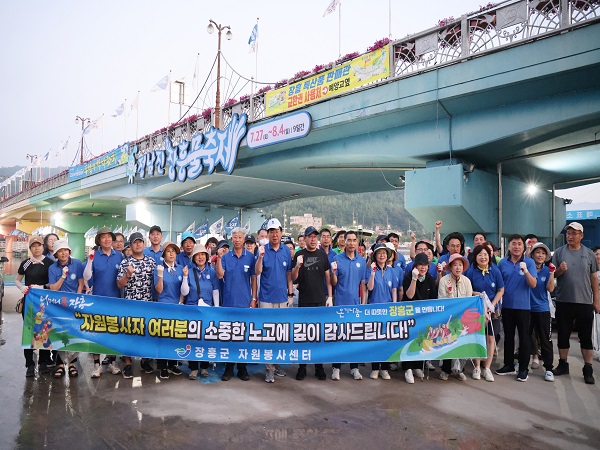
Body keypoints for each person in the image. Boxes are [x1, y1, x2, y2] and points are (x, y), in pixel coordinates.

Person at [552, 222, 600, 384]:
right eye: (568, 233)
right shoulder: (559, 253)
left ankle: (588, 369)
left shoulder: (589, 254)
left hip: (585, 302)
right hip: (564, 301)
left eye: (574, 233)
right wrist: (560, 270)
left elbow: (594, 278)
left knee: (585, 337)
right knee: (563, 335)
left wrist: (596, 301)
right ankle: (563, 364)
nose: (570, 236)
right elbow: (552, 276)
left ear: (582, 235)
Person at [216, 228, 258, 381]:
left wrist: (253, 299)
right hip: (229, 303)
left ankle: (242, 368)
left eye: (240, 237)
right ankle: (228, 368)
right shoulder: (226, 257)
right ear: (231, 240)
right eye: (235, 237)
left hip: (245, 303)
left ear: (243, 239)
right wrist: (219, 258)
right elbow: (220, 274)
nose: (238, 240)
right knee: (230, 337)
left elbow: (254, 279)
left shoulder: (251, 257)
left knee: (243, 337)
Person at [292, 226, 333, 381]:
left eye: (315, 236)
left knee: (318, 336)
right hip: (304, 301)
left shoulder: (322, 255)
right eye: (310, 237)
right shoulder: (299, 254)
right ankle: (302, 367)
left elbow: (327, 277)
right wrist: (298, 265)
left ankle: (319, 367)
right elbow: (294, 278)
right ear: (305, 238)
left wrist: (329, 296)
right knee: (304, 336)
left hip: (320, 301)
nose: (313, 239)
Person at [255, 218, 293, 383]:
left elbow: (289, 274)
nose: (275, 234)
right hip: (266, 298)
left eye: (277, 231)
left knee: (280, 334)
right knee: (268, 334)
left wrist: (290, 294)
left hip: (282, 298)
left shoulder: (286, 251)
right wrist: (260, 257)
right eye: (271, 232)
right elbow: (257, 272)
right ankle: (268, 369)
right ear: (268, 234)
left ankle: (277, 364)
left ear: (281, 233)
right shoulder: (263, 250)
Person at [83, 227, 123, 377]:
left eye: (109, 237)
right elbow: (86, 277)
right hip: (97, 301)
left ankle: (112, 363)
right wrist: (90, 260)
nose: (107, 239)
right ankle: (96, 365)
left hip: (115, 301)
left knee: (113, 333)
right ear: (98, 240)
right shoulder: (94, 256)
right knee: (96, 333)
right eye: (103, 237)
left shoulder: (119, 256)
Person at [497, 234, 537, 382]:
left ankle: (523, 368)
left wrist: (526, 270)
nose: (516, 246)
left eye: (519, 244)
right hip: (507, 306)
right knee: (508, 337)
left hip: (523, 307)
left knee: (524, 338)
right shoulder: (502, 263)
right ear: (508, 246)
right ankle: (508, 365)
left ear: (523, 246)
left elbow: (533, 284)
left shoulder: (530, 262)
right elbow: (499, 285)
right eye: (513, 244)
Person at [117, 232, 157, 378]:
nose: (138, 244)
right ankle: (128, 364)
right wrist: (127, 275)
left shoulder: (151, 262)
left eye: (140, 241)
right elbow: (119, 284)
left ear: (144, 244)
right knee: (128, 335)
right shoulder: (125, 262)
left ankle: (145, 361)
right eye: (135, 242)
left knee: (146, 334)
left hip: (147, 305)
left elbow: (157, 284)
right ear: (131, 245)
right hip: (130, 305)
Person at [330, 230, 367, 380]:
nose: (351, 243)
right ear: (343, 242)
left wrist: (363, 303)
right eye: (349, 240)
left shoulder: (362, 261)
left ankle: (354, 367)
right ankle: (336, 367)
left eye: (354, 240)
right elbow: (333, 283)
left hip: (355, 305)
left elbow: (363, 284)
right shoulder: (337, 259)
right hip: (340, 304)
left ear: (357, 243)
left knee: (355, 338)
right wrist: (333, 272)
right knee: (339, 337)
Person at [15, 236, 54, 377]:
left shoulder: (50, 263)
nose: (36, 248)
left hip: (45, 302)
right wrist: (22, 288)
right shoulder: (26, 263)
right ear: (30, 248)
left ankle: (43, 363)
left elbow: (53, 284)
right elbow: (17, 280)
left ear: (43, 247)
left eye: (39, 245)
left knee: (43, 332)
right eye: (33, 246)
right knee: (29, 332)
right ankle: (29, 365)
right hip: (29, 303)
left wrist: (43, 286)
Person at [464, 245, 504, 382]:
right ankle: (477, 366)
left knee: (491, 338)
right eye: (480, 255)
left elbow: (501, 290)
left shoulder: (495, 271)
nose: (483, 257)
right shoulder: (470, 272)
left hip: (493, 311)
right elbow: (468, 290)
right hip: (476, 310)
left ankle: (487, 368)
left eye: (485, 254)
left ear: (490, 256)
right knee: (477, 337)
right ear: (475, 257)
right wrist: (478, 295)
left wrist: (491, 305)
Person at [48, 239, 84, 379]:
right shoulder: (52, 268)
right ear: (56, 254)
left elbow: (80, 283)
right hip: (58, 305)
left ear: (69, 251)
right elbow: (53, 288)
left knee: (73, 333)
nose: (63, 253)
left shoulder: (77, 264)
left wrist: (77, 301)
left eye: (65, 250)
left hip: (73, 304)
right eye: (60, 251)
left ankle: (72, 363)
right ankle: (60, 364)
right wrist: (63, 276)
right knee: (59, 332)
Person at [154, 241, 190, 379]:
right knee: (164, 337)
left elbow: (183, 288)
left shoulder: (181, 269)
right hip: (163, 306)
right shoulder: (159, 268)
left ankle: (173, 364)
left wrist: (181, 301)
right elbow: (159, 290)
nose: (171, 254)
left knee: (176, 336)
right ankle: (163, 366)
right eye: (168, 251)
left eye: (173, 251)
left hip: (177, 306)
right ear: (164, 254)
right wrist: (160, 275)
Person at [185, 244, 220, 379]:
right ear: (193, 257)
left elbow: (215, 290)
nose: (200, 257)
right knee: (193, 339)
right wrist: (185, 277)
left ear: (206, 256)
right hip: (192, 310)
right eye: (197, 255)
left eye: (203, 254)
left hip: (207, 310)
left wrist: (216, 308)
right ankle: (193, 368)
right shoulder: (189, 271)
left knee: (206, 339)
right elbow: (185, 291)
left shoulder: (211, 272)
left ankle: (204, 367)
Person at [402, 252, 438, 382]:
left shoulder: (430, 279)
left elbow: (434, 299)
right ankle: (407, 368)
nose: (423, 268)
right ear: (415, 266)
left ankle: (418, 366)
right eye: (420, 265)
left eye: (425, 265)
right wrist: (414, 279)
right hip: (410, 316)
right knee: (409, 341)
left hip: (424, 316)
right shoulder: (407, 278)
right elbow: (409, 296)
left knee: (422, 340)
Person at [437, 254, 473, 381]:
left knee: (462, 343)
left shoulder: (467, 281)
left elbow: (469, 301)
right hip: (448, 317)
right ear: (450, 267)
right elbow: (441, 301)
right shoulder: (443, 281)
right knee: (447, 343)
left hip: (463, 318)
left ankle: (460, 370)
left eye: (460, 265)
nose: (458, 268)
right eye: (455, 265)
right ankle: (446, 370)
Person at [366, 243, 397, 380]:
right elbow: (370, 287)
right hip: (374, 308)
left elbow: (394, 290)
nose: (382, 255)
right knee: (375, 340)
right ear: (375, 256)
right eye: (379, 253)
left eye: (384, 253)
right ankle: (374, 368)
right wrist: (372, 273)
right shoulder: (371, 270)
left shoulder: (391, 271)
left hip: (388, 309)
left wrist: (395, 307)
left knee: (386, 341)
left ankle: (384, 368)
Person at [528, 242, 556, 382]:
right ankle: (523, 365)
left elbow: (550, 289)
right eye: (537, 252)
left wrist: (551, 273)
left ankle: (549, 369)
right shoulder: (527, 268)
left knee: (545, 340)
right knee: (526, 338)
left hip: (542, 309)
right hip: (527, 309)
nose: (540, 255)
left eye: (543, 253)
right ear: (532, 254)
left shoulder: (547, 270)